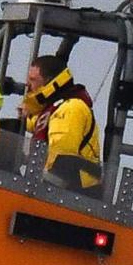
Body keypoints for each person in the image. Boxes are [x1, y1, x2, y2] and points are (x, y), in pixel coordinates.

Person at [22, 56, 101, 191]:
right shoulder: (56, 107)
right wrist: (25, 115)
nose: (27, 85)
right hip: (64, 188)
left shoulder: (71, 109)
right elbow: (39, 124)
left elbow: (60, 159)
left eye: (33, 80)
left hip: (75, 192)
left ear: (49, 82)